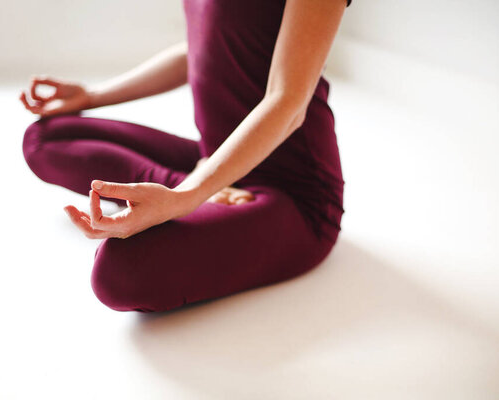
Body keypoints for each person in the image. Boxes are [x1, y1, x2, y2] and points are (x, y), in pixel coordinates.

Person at [20, 0, 351, 313]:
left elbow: (287, 102)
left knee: (119, 270)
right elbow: (200, 50)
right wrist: (92, 96)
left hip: (293, 194)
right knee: (44, 137)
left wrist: (186, 195)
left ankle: (194, 191)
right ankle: (204, 187)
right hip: (215, 155)